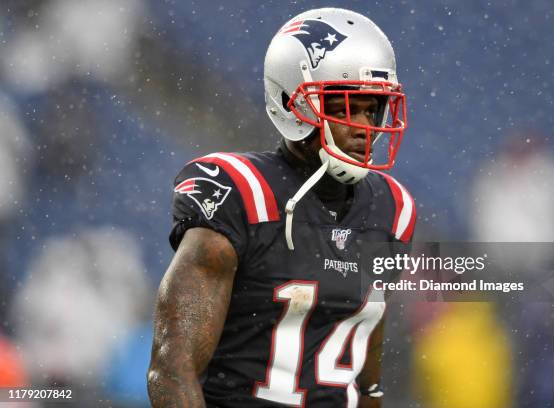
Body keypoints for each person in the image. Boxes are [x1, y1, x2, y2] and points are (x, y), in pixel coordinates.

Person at [148, 8, 416, 407]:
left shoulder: (394, 209)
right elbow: (171, 372)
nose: (363, 126)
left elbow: (364, 379)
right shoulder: (240, 193)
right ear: (294, 103)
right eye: (344, 108)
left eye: (371, 108)